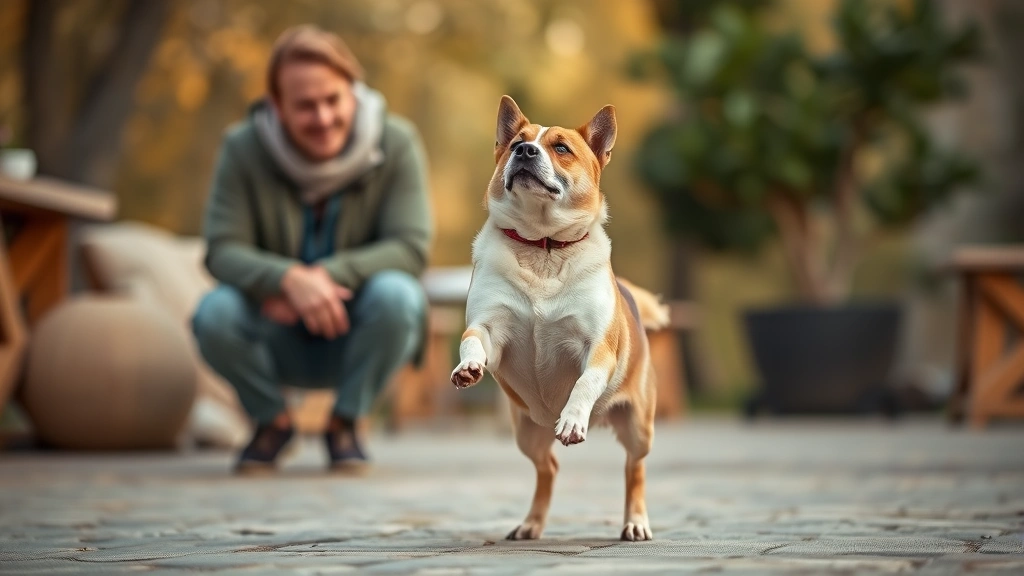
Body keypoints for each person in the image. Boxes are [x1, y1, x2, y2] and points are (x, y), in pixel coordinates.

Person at [191, 25, 432, 474]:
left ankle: (345, 422)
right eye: (305, 105)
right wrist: (286, 280)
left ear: (354, 94)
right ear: (277, 107)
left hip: (361, 331)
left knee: (400, 296)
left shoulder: (397, 142)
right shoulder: (242, 148)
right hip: (273, 331)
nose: (322, 117)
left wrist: (324, 278)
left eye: (332, 100)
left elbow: (410, 248)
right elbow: (221, 250)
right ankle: (272, 421)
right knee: (214, 313)